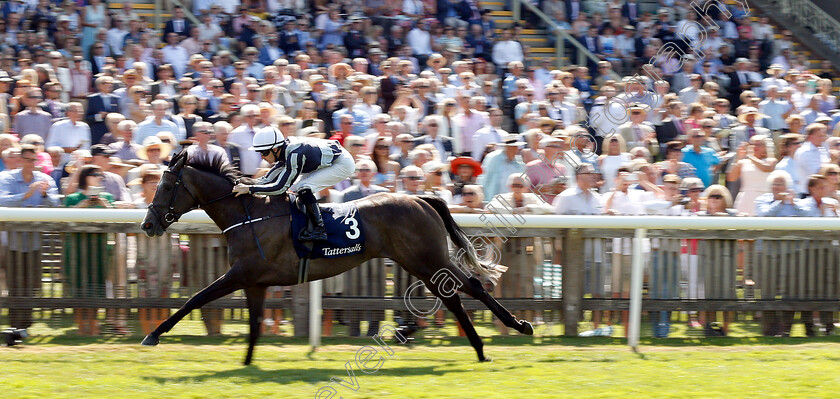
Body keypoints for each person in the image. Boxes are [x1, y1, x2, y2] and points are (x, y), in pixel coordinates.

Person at [232, 126, 355, 241]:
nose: (262, 157)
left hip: (341, 163)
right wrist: (245, 183)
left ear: (275, 149)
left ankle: (319, 229)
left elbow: (280, 187)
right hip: (324, 161)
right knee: (298, 188)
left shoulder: (294, 154)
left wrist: (250, 189)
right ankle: (309, 222)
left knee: (303, 187)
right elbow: (267, 179)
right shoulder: (284, 151)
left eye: (264, 152)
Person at [0, 144, 60, 331]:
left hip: (34, 241)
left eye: (34, 160)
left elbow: (56, 206)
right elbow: (1, 199)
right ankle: (16, 324)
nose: (31, 163)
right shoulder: (6, 178)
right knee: (15, 282)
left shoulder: (45, 179)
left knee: (31, 283)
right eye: (27, 159)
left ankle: (24, 323)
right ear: (20, 160)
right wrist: (25, 195)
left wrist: (43, 195)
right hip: (11, 242)